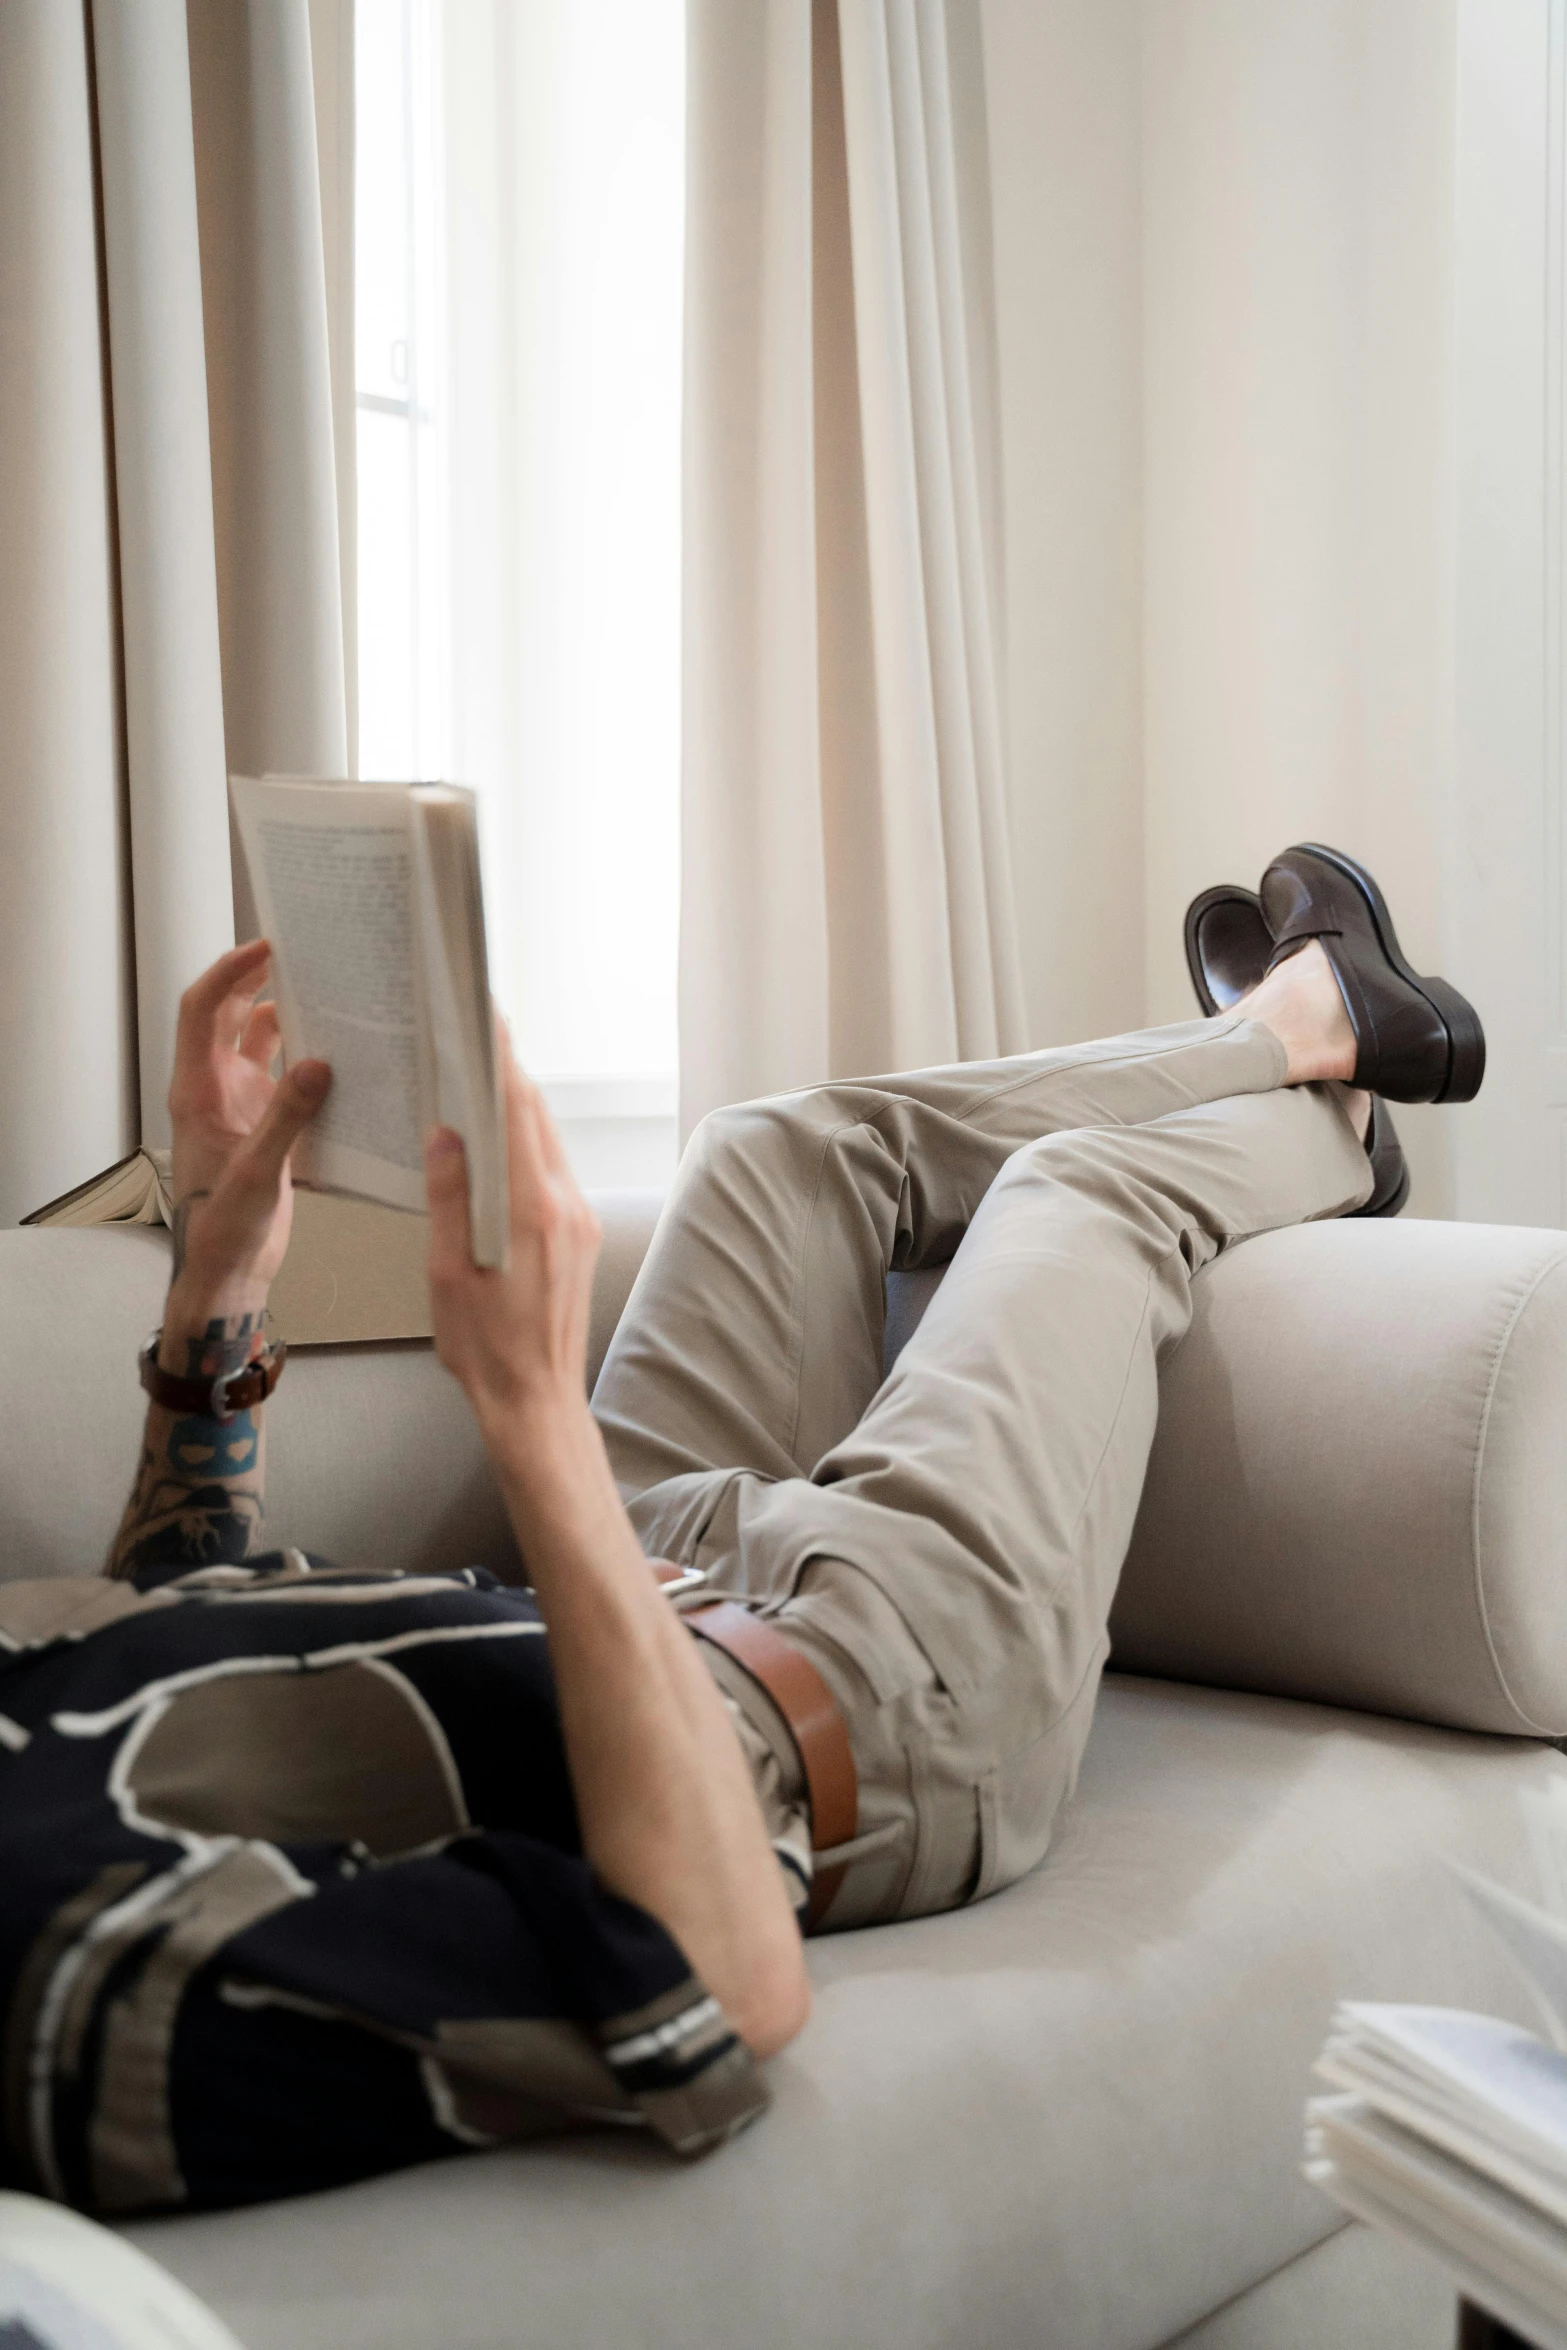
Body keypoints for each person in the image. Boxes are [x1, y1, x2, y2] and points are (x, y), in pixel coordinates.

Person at [0, 843, 1482, 2214]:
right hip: (857, 1693)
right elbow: (712, 1982)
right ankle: (1337, 1114)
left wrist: (214, 1286)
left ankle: (1295, 1034)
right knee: (1066, 1195)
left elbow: (165, 1658)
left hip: (626, 1583)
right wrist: (523, 1409)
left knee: (777, 1144)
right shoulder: (76, 1991)